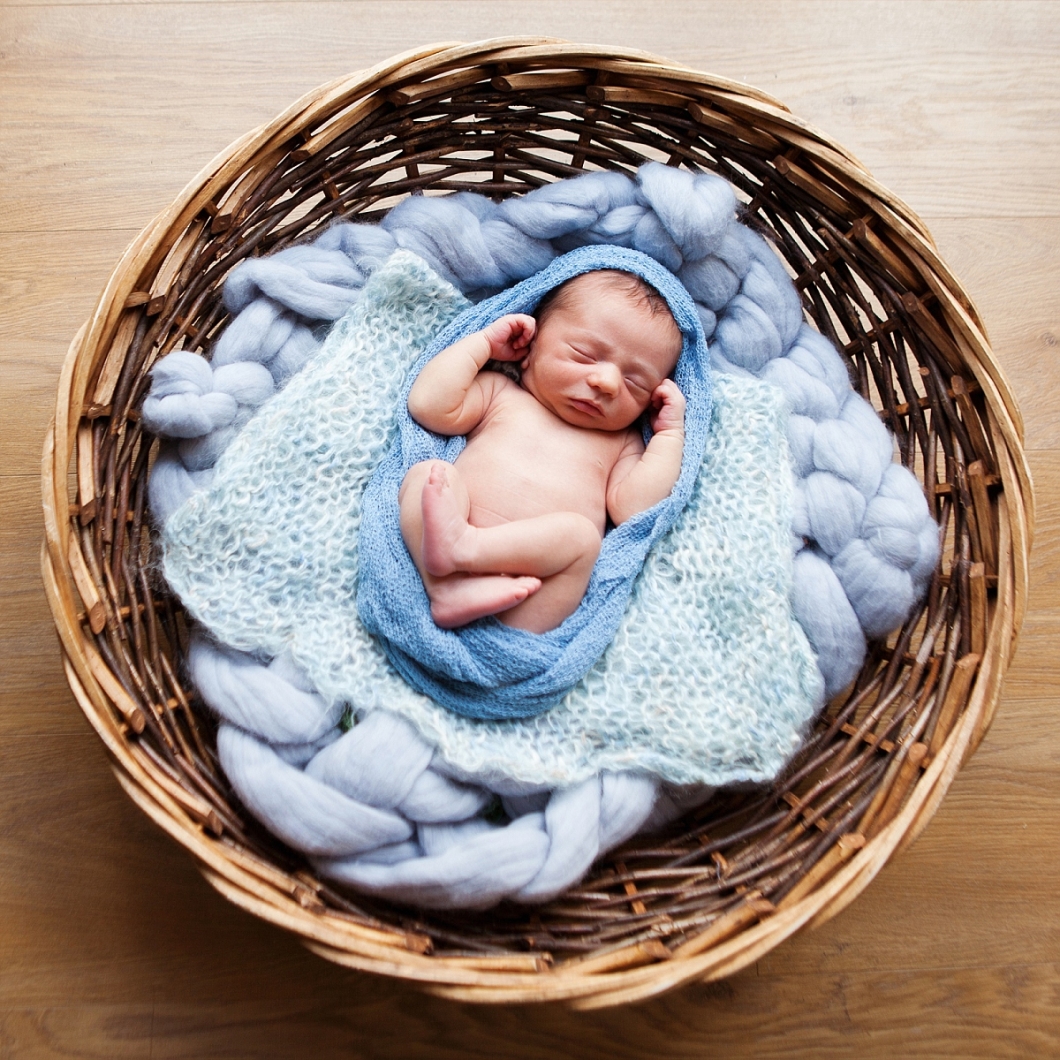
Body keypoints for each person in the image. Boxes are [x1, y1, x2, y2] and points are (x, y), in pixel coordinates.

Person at [398, 269, 686, 634]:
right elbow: (428, 404)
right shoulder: (499, 394)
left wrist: (670, 434)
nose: (608, 383)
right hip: (437, 556)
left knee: (580, 538)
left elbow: (635, 509)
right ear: (530, 347)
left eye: (635, 382)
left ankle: (464, 548)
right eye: (584, 356)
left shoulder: (621, 443)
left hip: (529, 595)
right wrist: (483, 343)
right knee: (429, 475)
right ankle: (446, 588)